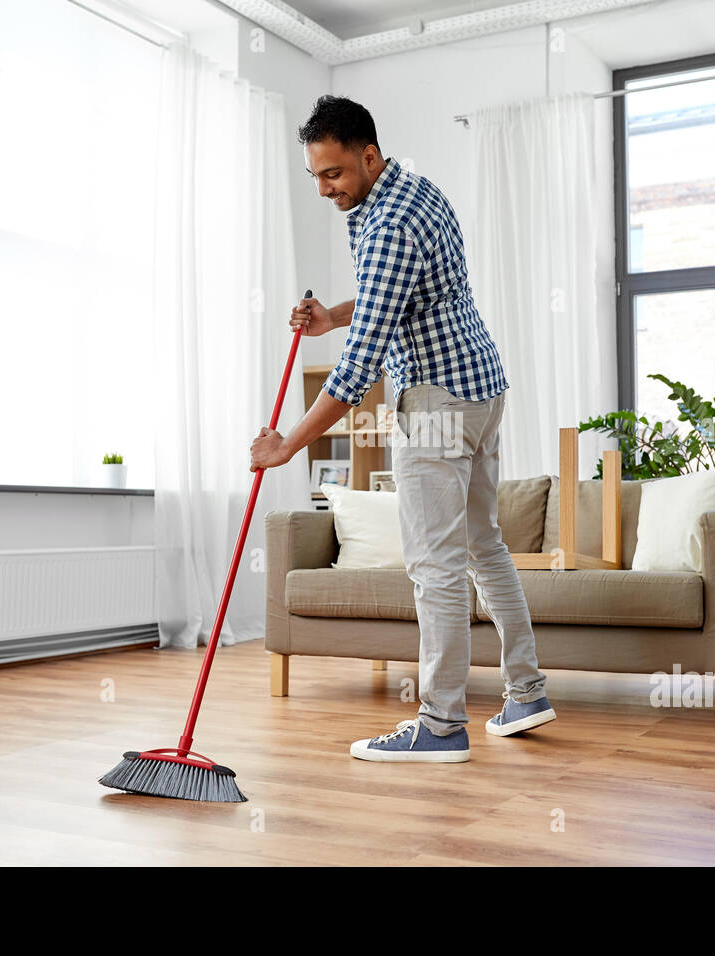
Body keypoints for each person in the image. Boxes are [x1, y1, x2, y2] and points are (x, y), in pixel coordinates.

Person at [248, 95, 554, 763]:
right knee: (483, 546)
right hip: (482, 390)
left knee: (434, 567)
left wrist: (287, 446)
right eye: (316, 177)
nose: (327, 189)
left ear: (367, 155)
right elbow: (400, 293)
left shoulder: (386, 225)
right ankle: (526, 690)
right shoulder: (414, 185)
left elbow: (358, 373)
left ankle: (441, 724)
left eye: (334, 175)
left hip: (438, 403)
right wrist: (330, 314)